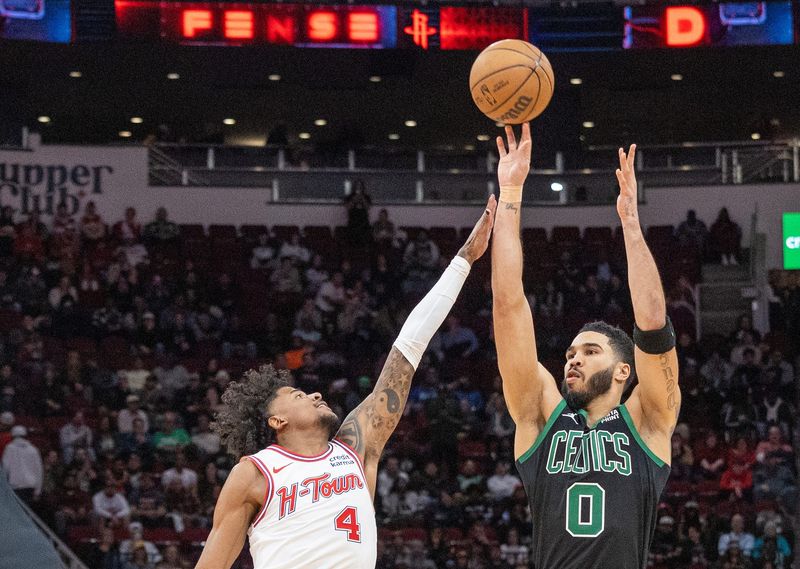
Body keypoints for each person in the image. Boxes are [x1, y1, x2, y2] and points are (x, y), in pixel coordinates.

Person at [194, 198, 496, 569]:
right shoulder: (254, 473)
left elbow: (406, 351)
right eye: (299, 394)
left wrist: (463, 260)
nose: (316, 393)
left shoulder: (355, 447)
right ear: (276, 421)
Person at [491, 125, 679, 569]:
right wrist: (511, 191)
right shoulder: (539, 416)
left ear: (623, 371)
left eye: (590, 351)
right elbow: (507, 303)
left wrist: (631, 226)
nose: (573, 358)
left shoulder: (648, 422)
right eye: (571, 352)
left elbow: (652, 323)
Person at [1, 425, 43, 503]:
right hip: (30, 487)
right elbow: (39, 471)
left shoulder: (9, 448)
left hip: (15, 487)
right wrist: (38, 490)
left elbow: (5, 468)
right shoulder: (33, 449)